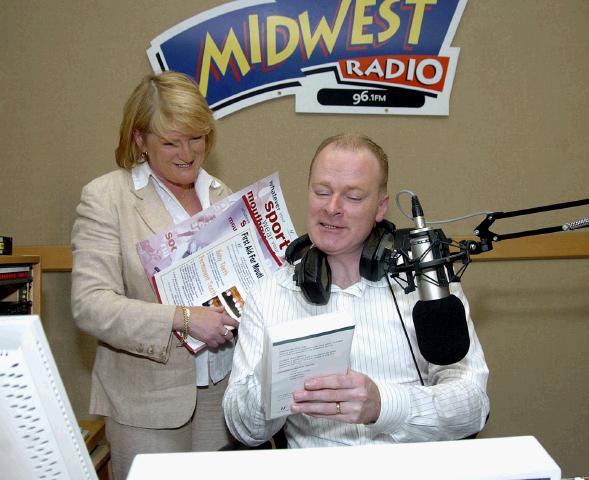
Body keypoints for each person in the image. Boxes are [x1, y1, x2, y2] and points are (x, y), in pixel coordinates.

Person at [223, 133, 489, 447]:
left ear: (380, 208)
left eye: (352, 197)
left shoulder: (426, 286)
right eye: (322, 192)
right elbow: (244, 430)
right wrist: (277, 372)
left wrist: (384, 405)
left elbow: (473, 405)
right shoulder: (270, 294)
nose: (332, 208)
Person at [71, 71, 240, 479]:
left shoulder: (223, 194)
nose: (187, 152)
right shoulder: (107, 197)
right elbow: (90, 304)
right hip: (146, 404)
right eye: (170, 141)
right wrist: (182, 319)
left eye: (196, 137)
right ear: (140, 140)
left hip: (221, 395)